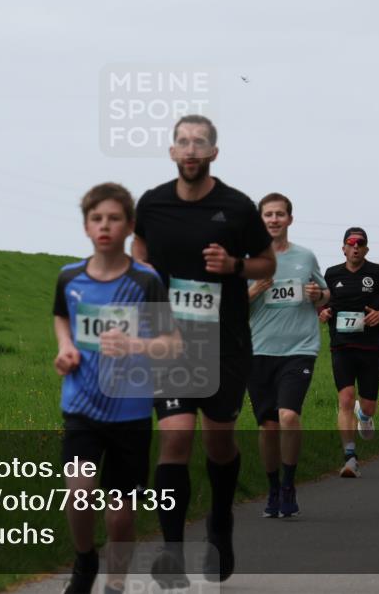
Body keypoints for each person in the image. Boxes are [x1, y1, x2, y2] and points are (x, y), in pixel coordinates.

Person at [132, 115, 275, 584]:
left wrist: (234, 264)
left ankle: (220, 522)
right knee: (174, 438)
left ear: (214, 152)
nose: (191, 150)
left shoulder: (236, 207)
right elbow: (140, 250)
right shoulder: (152, 203)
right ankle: (171, 550)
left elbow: (265, 262)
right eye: (183, 142)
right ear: (172, 151)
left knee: (217, 443)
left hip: (224, 343)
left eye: (200, 143)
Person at [52, 183, 181, 594]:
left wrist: (135, 345)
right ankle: (85, 557)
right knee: (79, 492)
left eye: (113, 218)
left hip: (130, 411)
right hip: (81, 405)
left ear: (128, 226)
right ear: (86, 225)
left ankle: (116, 583)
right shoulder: (70, 277)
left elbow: (172, 343)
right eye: (96, 218)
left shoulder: (146, 281)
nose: (104, 226)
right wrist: (66, 348)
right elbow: (61, 317)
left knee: (121, 515)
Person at [247, 193, 328, 515]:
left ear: (289, 219)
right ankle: (272, 489)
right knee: (267, 426)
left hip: (300, 349)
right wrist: (253, 290)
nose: (274, 219)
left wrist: (318, 294)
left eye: (280, 214)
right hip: (259, 350)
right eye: (268, 214)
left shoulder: (305, 257)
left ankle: (290, 484)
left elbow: (325, 295)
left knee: (289, 416)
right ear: (260, 220)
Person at [318, 227, 379, 478]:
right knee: (345, 398)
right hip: (341, 345)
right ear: (343, 248)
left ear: (366, 248)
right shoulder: (332, 274)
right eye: (350, 243)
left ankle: (364, 415)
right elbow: (321, 302)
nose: (355, 247)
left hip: (370, 346)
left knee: (369, 405)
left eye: (360, 243)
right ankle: (350, 457)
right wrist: (322, 312)